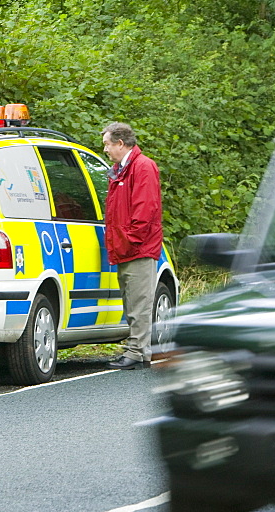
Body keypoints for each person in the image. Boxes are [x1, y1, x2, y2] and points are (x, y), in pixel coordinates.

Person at [101, 122, 163, 370]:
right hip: (127, 247)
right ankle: (137, 350)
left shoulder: (142, 167)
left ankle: (137, 351)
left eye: (107, 144)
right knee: (132, 301)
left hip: (137, 247)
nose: (105, 149)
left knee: (139, 302)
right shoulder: (122, 169)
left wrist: (129, 239)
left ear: (119, 143)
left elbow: (145, 210)